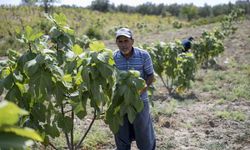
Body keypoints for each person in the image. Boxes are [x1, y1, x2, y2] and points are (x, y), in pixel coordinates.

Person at [113, 27, 156, 150]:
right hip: (120, 102)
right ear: (116, 43)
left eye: (126, 40)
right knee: (121, 134)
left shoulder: (143, 55)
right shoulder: (113, 57)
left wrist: (142, 89)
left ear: (132, 41)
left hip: (140, 101)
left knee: (144, 135)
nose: (123, 44)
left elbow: (151, 75)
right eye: (120, 41)